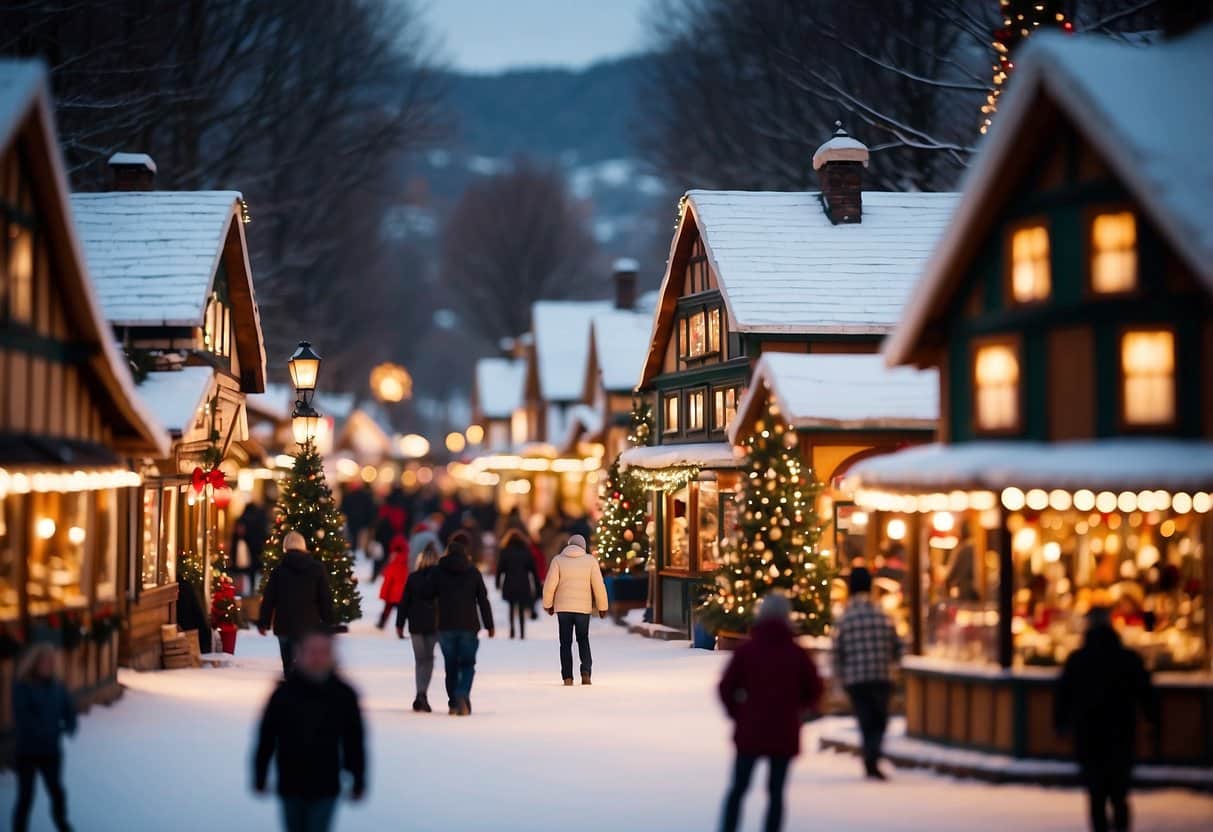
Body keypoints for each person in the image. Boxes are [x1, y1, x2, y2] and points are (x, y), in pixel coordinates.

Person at [718, 593, 822, 832]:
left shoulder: (747, 651)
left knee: (738, 788)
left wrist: (738, 713)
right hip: (783, 730)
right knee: (776, 792)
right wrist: (799, 710)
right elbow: (814, 688)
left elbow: (726, 687)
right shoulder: (796, 653)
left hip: (750, 730)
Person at [1055, 608, 1158, 832]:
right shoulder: (1128, 659)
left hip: (1089, 736)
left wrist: (1061, 724)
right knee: (1119, 793)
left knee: (1096, 795)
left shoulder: (1077, 660)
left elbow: (1063, 696)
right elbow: (1146, 693)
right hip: (1121, 734)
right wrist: (1152, 721)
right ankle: (1121, 825)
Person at [254, 630, 365, 832]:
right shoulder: (284, 694)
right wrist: (260, 773)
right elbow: (267, 735)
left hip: (326, 782)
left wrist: (358, 777)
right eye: (311, 652)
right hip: (290, 780)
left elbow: (354, 739)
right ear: (300, 655)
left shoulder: (343, 695)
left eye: (323, 652)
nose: (317, 657)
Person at [832, 566, 902, 780]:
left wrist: (841, 676)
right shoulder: (882, 614)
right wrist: (892, 664)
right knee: (880, 719)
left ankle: (871, 755)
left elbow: (838, 651)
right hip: (881, 675)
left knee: (865, 719)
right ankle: (873, 754)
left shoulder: (845, 619)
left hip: (856, 679)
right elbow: (896, 645)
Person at [423, 539, 494, 715]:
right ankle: (462, 693)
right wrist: (489, 624)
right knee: (468, 664)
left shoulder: (438, 572)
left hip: (446, 625)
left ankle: (454, 702)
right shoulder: (473, 572)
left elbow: (427, 594)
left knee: (451, 666)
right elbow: (483, 600)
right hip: (469, 625)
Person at [12, 644, 76, 832]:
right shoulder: (22, 686)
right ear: (35, 663)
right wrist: (51, 730)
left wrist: (70, 724)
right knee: (26, 796)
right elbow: (23, 718)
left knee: (57, 792)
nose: (49, 665)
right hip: (28, 752)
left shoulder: (57, 687)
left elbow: (68, 709)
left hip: (51, 752)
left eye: (51, 661)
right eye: (45, 661)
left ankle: (62, 825)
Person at [258, 531, 334, 675]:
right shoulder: (317, 569)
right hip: (308, 625)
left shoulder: (278, 571)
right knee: (305, 664)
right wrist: (328, 621)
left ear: (285, 548)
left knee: (288, 665)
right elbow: (325, 597)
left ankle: (290, 686)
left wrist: (263, 622)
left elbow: (269, 599)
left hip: (284, 625)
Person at [542, 534, 608, 686]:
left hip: (563, 609)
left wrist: (548, 604)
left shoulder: (558, 560)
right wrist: (602, 607)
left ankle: (567, 677)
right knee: (583, 639)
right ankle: (586, 672)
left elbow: (550, 585)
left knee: (565, 643)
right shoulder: (590, 561)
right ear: (583, 547)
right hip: (583, 609)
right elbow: (598, 585)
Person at [397, 541, 441, 711]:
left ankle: (419, 693)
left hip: (415, 625)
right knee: (428, 660)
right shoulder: (439, 579)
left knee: (419, 660)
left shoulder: (413, 578)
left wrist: (399, 624)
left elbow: (404, 603)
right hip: (433, 624)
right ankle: (422, 694)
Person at [496, 530, 541, 639]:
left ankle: (512, 630)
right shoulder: (526, 551)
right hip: (523, 583)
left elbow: (500, 569)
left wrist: (497, 582)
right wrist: (536, 584)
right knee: (521, 608)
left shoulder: (505, 551)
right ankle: (522, 632)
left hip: (509, 582)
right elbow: (533, 569)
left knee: (511, 607)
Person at [232, 500, 269, 594]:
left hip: (245, 549)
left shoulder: (242, 519)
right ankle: (253, 589)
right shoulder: (259, 519)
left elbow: (236, 535)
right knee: (254, 571)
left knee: (243, 572)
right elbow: (264, 534)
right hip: (257, 549)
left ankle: (240, 590)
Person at [339, 483, 375, 557]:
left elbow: (343, 510)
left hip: (352, 522)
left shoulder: (348, 496)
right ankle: (359, 553)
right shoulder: (366, 497)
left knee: (352, 538)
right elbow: (370, 511)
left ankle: (353, 552)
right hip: (362, 522)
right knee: (361, 540)